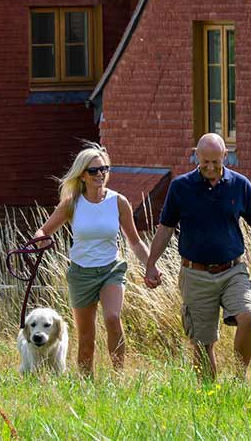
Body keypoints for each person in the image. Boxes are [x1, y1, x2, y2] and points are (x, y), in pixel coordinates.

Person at [144, 132, 251, 381]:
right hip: (195, 273)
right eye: (205, 161)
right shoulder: (180, 187)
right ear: (197, 155)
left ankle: (239, 379)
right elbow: (165, 228)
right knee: (202, 343)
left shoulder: (240, 185)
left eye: (215, 162)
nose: (210, 167)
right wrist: (151, 264)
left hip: (233, 270)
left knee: (248, 317)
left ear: (225, 157)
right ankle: (209, 394)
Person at [29, 144, 160, 375]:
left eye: (104, 169)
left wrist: (150, 267)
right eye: (94, 170)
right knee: (86, 336)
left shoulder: (118, 202)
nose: (100, 174)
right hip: (81, 274)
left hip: (111, 270)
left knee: (112, 317)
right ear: (82, 175)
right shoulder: (72, 203)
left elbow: (135, 241)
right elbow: (44, 231)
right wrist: (38, 239)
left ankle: (118, 377)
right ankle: (86, 382)